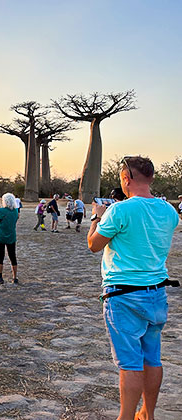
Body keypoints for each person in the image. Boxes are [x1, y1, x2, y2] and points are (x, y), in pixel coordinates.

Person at [87, 156, 179, 420]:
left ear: (126, 178)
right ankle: (147, 414)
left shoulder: (120, 210)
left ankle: (125, 417)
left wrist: (96, 217)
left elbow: (94, 244)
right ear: (150, 178)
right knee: (152, 357)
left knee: (130, 363)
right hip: (156, 293)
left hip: (124, 294)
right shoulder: (169, 211)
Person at [0, 193, 20, 284]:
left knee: (0, 256)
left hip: (1, 235)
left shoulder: (1, 211)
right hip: (11, 235)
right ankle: (15, 277)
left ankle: (0, 275)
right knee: (12, 256)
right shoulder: (15, 211)